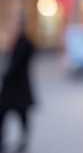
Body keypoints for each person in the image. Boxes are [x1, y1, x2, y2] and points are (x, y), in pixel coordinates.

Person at [0, 16, 36, 153]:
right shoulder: (16, 41)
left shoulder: (24, 42)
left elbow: (16, 64)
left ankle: (23, 141)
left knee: (21, 115)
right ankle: (17, 140)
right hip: (14, 87)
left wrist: (5, 75)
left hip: (17, 87)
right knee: (12, 114)